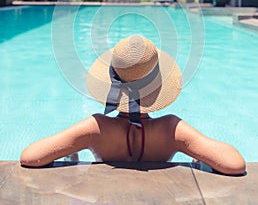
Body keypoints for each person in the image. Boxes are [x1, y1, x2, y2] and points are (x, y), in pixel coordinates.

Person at [20, 35, 246, 175]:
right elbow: (235, 164)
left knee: (71, 156)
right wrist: (200, 155)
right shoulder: (171, 129)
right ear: (158, 85)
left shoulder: (96, 128)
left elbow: (30, 156)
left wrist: (72, 149)